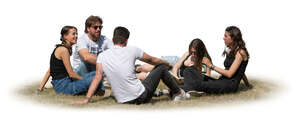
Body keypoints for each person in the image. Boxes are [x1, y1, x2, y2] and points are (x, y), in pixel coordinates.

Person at [73, 26, 190, 105]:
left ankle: (164, 92)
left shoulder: (102, 56)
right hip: (141, 97)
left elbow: (97, 78)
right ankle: (180, 93)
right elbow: (153, 60)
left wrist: (87, 99)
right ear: (127, 40)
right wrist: (167, 63)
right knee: (161, 68)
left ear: (113, 39)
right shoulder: (132, 50)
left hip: (123, 101)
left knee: (138, 80)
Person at [38, 26, 104, 95]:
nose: (76, 36)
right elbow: (71, 74)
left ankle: (97, 90)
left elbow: (50, 69)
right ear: (65, 36)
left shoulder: (63, 48)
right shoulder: (63, 50)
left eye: (76, 34)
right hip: (64, 86)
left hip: (64, 83)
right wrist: (84, 80)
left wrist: (40, 87)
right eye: (73, 34)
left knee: (95, 74)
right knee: (94, 78)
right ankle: (98, 91)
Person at [182, 26, 250, 94]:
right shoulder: (232, 50)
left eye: (226, 36)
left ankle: (179, 90)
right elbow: (240, 70)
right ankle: (185, 88)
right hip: (221, 81)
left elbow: (229, 74)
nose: (223, 38)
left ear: (233, 38)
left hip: (229, 86)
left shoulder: (241, 52)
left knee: (199, 84)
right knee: (188, 70)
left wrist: (211, 65)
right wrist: (247, 84)